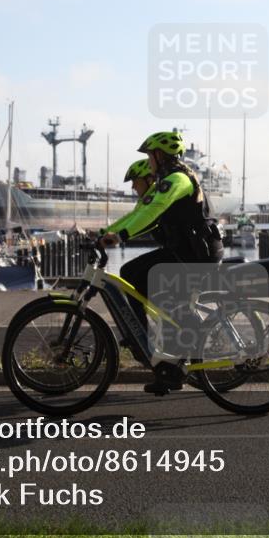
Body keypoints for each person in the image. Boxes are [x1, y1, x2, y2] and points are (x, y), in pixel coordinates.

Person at [101, 131, 224, 394]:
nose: (149, 161)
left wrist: (120, 236)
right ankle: (163, 361)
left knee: (138, 276)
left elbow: (153, 210)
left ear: (160, 155)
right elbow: (141, 212)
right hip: (186, 253)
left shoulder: (178, 179)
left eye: (150, 155)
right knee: (136, 276)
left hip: (197, 255)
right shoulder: (167, 181)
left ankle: (168, 352)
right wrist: (103, 235)